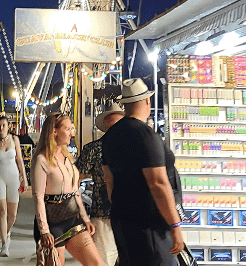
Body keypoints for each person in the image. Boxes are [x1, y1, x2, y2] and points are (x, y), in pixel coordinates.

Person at [102, 78, 184, 266]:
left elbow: (109, 180)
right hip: (150, 223)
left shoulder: (111, 136)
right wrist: (175, 224)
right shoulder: (145, 134)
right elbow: (158, 183)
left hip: (122, 218)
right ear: (147, 101)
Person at [32, 113, 101, 266]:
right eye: (68, 129)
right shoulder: (42, 160)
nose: (72, 133)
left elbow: (75, 190)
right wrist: (44, 230)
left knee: (96, 263)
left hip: (71, 220)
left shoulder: (68, 159)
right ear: (54, 131)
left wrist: (85, 218)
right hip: (52, 224)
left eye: (72, 129)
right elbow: (38, 197)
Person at [76, 101, 124, 266]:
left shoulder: (131, 147)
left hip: (129, 214)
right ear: (106, 125)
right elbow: (77, 178)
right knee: (102, 260)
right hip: (103, 214)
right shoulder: (93, 149)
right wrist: (80, 212)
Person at [0, 115, 28, 257]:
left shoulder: (15, 140)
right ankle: (4, 245)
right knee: (3, 211)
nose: (1, 128)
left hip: (13, 177)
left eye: (3, 125)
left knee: (12, 213)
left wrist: (24, 179)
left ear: (9, 127)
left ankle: (7, 233)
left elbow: (20, 160)